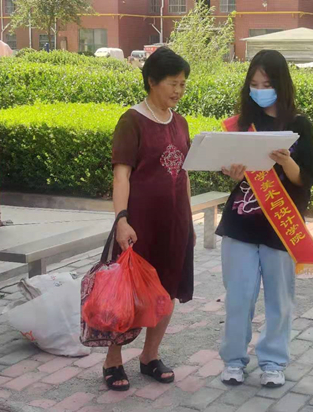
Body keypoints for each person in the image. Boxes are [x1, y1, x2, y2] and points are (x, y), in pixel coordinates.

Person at [216, 50, 313, 388]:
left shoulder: (299, 125)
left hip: (281, 226)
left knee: (279, 300)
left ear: (281, 84)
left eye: (267, 84)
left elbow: (307, 178)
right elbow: (230, 168)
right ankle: (234, 361)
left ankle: (273, 362)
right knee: (238, 298)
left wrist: (287, 162)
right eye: (254, 84)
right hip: (240, 224)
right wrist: (231, 171)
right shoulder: (241, 124)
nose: (260, 91)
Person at [106, 47, 195, 391]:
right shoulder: (132, 121)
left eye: (183, 84)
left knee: (166, 291)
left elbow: (184, 174)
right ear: (152, 81)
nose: (178, 90)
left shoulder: (180, 122)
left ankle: (150, 356)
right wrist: (121, 220)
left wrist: (189, 221)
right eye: (173, 83)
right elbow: (121, 176)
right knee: (130, 295)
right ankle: (113, 360)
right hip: (140, 225)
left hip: (175, 224)